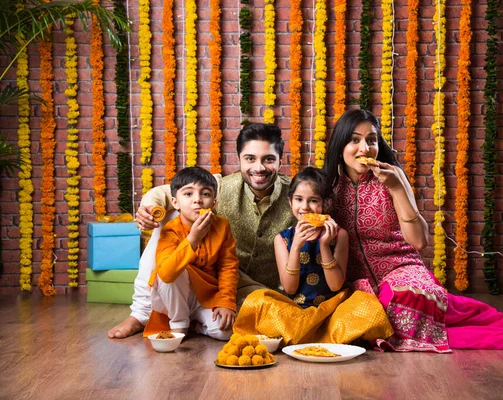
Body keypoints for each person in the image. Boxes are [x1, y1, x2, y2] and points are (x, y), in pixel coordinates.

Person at [321, 109, 503, 352]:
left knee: (404, 298)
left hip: (400, 269)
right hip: (355, 279)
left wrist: (397, 189)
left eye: (371, 140)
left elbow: (419, 241)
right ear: (340, 145)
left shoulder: (393, 177)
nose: (365, 148)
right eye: (355, 140)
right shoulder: (329, 187)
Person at [108, 123, 295, 339]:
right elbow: (169, 192)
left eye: (268, 159)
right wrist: (149, 208)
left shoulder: (297, 196)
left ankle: (198, 321)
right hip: (202, 275)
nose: (259, 168)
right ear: (240, 159)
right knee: (171, 216)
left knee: (253, 325)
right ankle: (140, 314)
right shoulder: (221, 186)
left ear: (281, 161)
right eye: (250, 158)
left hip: (248, 288)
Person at [234, 167, 393, 344]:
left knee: (366, 302)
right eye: (299, 199)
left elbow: (335, 285)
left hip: (332, 310)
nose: (305, 207)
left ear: (326, 204)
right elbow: (290, 288)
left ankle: (314, 334)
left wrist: (325, 245)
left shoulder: (340, 235)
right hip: (296, 310)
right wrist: (295, 247)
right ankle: (316, 335)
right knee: (257, 300)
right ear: (290, 202)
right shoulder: (282, 239)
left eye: (313, 200)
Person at [145, 167, 237, 339]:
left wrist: (226, 302)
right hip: (174, 297)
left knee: (225, 332)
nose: (198, 200)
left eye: (205, 194)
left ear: (214, 203)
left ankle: (196, 325)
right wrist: (193, 239)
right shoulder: (170, 231)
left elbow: (228, 267)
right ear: (175, 202)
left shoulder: (222, 226)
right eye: (188, 194)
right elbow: (166, 273)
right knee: (172, 269)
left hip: (206, 297)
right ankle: (179, 323)